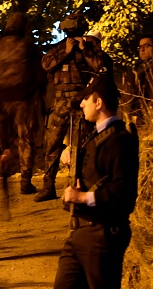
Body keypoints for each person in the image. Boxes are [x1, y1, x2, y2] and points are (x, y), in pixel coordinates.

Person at [54, 75, 139, 289]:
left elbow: (124, 194)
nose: (81, 104)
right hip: (80, 231)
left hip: (102, 234)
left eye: (86, 99)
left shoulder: (120, 140)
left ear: (98, 102)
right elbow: (94, 173)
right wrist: (71, 159)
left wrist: (84, 197)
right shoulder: (97, 136)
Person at [35, 14, 112, 202]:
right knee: (52, 144)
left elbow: (101, 67)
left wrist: (84, 50)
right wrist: (66, 52)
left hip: (82, 101)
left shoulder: (90, 49)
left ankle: (80, 183)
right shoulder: (59, 48)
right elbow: (46, 65)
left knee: (82, 145)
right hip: (60, 102)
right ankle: (48, 186)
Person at [0, 12, 46, 194]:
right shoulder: (29, 47)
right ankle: (25, 180)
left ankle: (5, 166)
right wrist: (39, 95)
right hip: (24, 99)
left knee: (4, 139)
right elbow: (40, 74)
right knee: (26, 139)